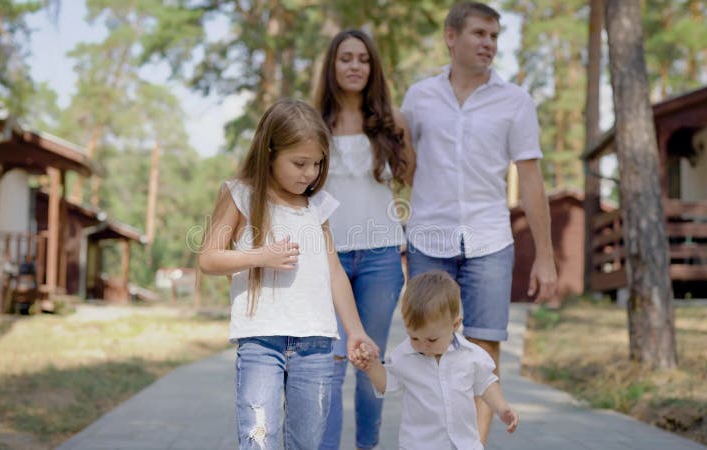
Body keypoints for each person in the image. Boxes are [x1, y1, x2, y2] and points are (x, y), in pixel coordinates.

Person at [401, 1, 557, 444]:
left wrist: (545, 257)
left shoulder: (515, 101)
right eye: (479, 34)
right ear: (452, 37)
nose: (489, 43)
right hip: (429, 238)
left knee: (483, 353)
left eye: (494, 36)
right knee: (428, 350)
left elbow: (530, 180)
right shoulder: (419, 97)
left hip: (489, 241)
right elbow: (403, 166)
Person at [198, 98, 379, 450]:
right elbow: (208, 258)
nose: (309, 173)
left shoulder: (317, 205)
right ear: (270, 152)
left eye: (317, 163)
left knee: (307, 444)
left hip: (316, 345)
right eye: (299, 163)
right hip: (261, 341)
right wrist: (259, 256)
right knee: (258, 441)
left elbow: (335, 273)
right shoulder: (241, 195)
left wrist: (355, 331)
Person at [313, 29, 415, 450]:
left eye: (363, 59)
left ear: (373, 68)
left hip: (380, 258)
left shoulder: (393, 122)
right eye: (345, 58)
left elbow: (410, 182)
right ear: (332, 66)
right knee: (330, 364)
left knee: (370, 360)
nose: (355, 66)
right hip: (326, 258)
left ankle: (367, 446)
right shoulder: (312, 121)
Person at [349, 271, 518, 450]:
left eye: (431, 340)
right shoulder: (405, 355)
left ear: (455, 325)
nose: (422, 345)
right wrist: (372, 367)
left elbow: (487, 383)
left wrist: (501, 408)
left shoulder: (470, 355)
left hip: (464, 444)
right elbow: (385, 384)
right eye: (414, 338)